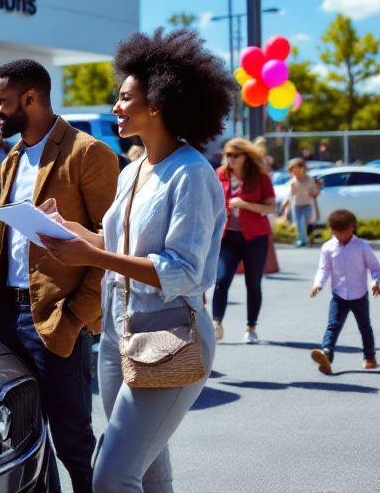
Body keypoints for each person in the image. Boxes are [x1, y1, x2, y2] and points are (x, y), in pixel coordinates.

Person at [36, 29, 230, 493]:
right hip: (119, 334)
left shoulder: (192, 175)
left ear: (159, 103)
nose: (116, 107)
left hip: (171, 335)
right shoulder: (136, 168)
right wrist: (66, 228)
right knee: (146, 471)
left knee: (111, 476)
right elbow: (114, 241)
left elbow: (184, 273)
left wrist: (94, 254)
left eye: (126, 98)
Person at [0, 58, 119, 493]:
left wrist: (78, 316)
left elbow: (111, 245)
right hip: (8, 318)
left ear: (30, 99)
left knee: (73, 441)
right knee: (25, 440)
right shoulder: (13, 158)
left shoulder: (88, 153)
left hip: (58, 318)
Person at [211, 137, 276, 344]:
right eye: (227, 155)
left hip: (255, 237)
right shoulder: (219, 175)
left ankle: (251, 327)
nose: (229, 159)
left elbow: (270, 208)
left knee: (253, 283)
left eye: (234, 155)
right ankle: (216, 323)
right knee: (221, 280)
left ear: (245, 157)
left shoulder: (260, 177)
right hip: (228, 237)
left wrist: (245, 204)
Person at [309, 209, 380, 374]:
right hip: (339, 295)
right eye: (336, 232)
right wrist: (318, 284)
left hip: (359, 295)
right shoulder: (328, 247)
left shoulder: (362, 246)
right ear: (331, 230)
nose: (341, 235)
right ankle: (326, 353)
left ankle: (369, 357)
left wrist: (375, 282)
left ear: (352, 227)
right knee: (333, 325)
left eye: (344, 231)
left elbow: (375, 268)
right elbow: (323, 269)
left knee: (364, 327)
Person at [281, 158, 321, 248]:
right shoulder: (293, 181)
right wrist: (285, 204)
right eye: (291, 170)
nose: (293, 172)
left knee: (305, 221)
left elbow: (316, 192)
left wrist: (313, 193)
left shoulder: (309, 180)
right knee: (299, 223)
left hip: (307, 204)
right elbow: (290, 194)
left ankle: (305, 237)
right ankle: (302, 240)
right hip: (297, 205)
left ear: (302, 168)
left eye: (294, 169)